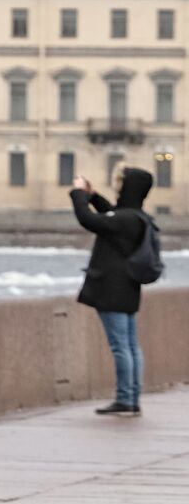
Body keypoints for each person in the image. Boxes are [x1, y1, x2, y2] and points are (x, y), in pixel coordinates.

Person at [72, 165, 154, 417]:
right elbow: (109, 214)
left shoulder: (125, 219)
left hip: (111, 289)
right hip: (128, 289)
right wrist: (93, 195)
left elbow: (90, 220)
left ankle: (125, 398)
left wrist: (77, 194)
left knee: (121, 346)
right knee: (130, 345)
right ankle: (132, 396)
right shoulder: (137, 217)